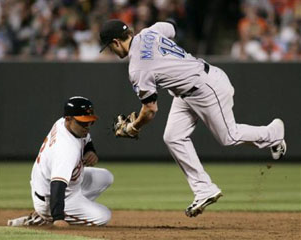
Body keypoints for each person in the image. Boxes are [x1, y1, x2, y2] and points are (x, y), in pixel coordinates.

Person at [99, 19, 287, 217]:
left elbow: (150, 109)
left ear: (116, 42)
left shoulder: (137, 68)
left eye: (110, 47)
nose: (111, 51)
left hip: (206, 87)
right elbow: (172, 26)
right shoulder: (149, 32)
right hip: (187, 90)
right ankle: (204, 189)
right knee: (172, 137)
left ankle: (273, 133)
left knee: (229, 137)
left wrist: (133, 128)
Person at [8, 96, 113, 227]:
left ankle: (68, 209)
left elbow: (87, 140)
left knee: (105, 177)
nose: (87, 126)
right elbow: (57, 185)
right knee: (104, 216)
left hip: (61, 184)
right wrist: (58, 217)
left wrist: (90, 150)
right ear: (68, 119)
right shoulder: (66, 149)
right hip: (51, 196)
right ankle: (45, 216)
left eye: (90, 122)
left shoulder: (63, 123)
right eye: (83, 122)